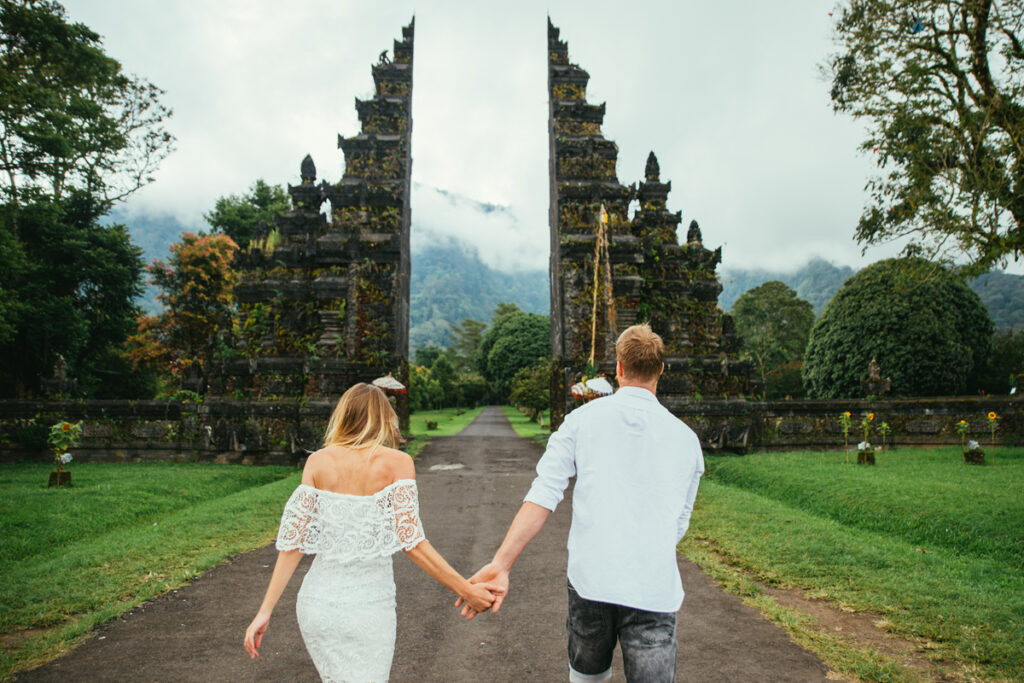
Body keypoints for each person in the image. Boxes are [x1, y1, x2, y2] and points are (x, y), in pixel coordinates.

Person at [459, 323, 705, 683]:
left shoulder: (580, 421)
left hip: (592, 580)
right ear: (661, 370)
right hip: (653, 585)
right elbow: (679, 520)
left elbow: (543, 494)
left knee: (587, 678)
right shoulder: (686, 440)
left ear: (619, 368)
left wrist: (502, 563)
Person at [244, 383, 495, 682]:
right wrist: (466, 590)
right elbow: (412, 543)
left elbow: (293, 545)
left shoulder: (317, 462)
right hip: (369, 607)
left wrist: (265, 611)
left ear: (343, 416)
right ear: (384, 418)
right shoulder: (398, 463)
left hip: (317, 605)